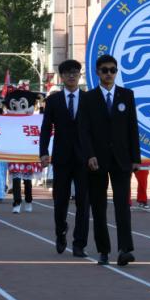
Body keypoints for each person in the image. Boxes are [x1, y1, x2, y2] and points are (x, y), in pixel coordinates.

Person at [77, 54, 140, 267]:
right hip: (97, 160)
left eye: (113, 70)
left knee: (123, 206)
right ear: (97, 72)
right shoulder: (88, 98)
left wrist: (135, 158)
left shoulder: (126, 95)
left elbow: (132, 128)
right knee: (99, 207)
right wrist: (89, 155)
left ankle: (125, 249)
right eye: (105, 70)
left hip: (122, 160)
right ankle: (103, 250)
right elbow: (83, 130)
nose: (109, 74)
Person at [39, 59, 91, 257]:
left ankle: (79, 244)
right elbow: (46, 128)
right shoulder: (53, 101)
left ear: (79, 76)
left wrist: (94, 154)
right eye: (68, 73)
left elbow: (95, 129)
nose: (71, 76)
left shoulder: (88, 99)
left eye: (75, 72)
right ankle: (60, 231)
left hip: (84, 158)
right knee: (60, 201)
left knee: (83, 202)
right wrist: (44, 152)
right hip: (61, 157)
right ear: (61, 77)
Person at [5, 89, 41, 214]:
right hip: (14, 152)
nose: (19, 110)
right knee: (15, 178)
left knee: (27, 180)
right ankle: (17, 202)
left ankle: (29, 201)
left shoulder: (33, 120)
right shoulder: (8, 120)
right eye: (14, 107)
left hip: (27, 152)